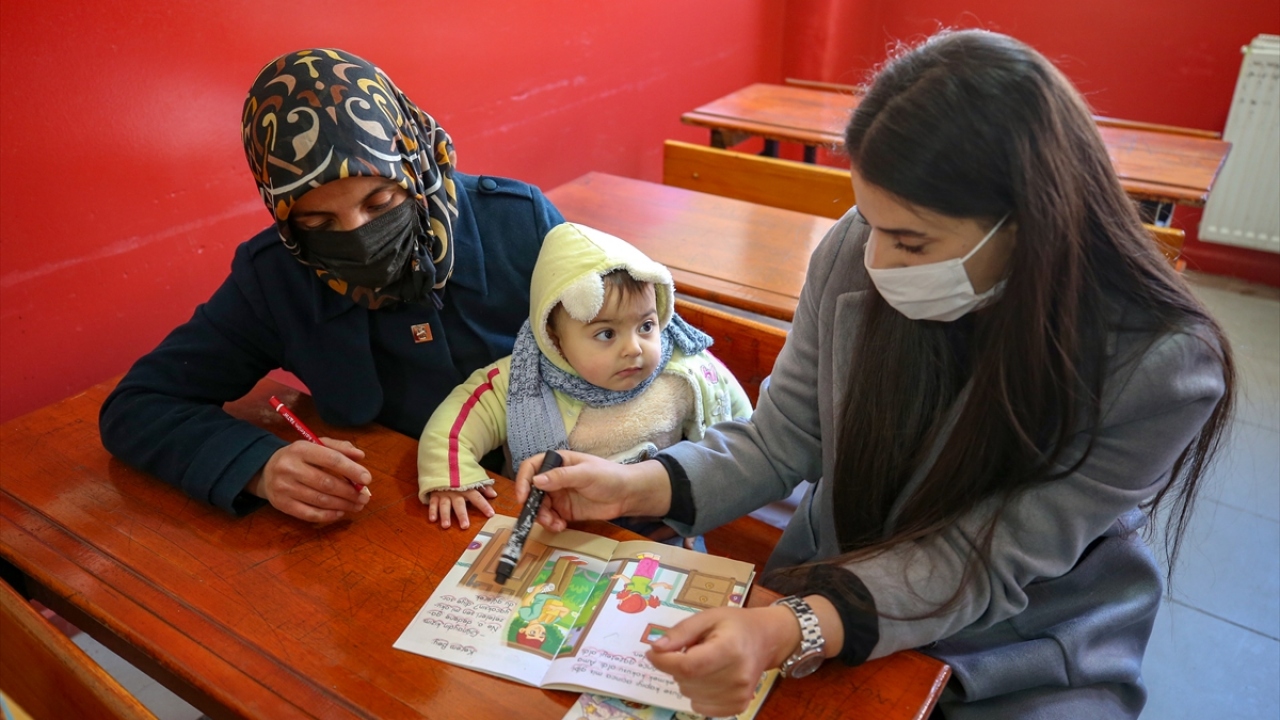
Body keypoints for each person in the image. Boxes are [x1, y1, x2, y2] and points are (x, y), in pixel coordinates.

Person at [512, 30, 1235, 719]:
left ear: (1030, 221)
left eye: (910, 243)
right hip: (839, 579)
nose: (875, 261)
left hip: (1018, 641)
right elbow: (782, 438)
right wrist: (632, 485)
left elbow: (981, 560)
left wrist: (791, 628)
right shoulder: (857, 247)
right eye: (868, 221)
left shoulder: (1161, 367)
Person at [99, 48, 563, 523]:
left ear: (412, 167)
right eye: (318, 222)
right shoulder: (278, 277)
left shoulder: (517, 225)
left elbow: (614, 346)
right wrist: (260, 466)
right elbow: (139, 406)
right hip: (397, 515)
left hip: (557, 493)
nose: (359, 238)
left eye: (380, 204)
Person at [417, 222, 752, 534]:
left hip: (666, 525)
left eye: (646, 326)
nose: (634, 348)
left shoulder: (686, 366)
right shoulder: (521, 380)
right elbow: (456, 423)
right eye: (606, 334)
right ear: (555, 337)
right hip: (559, 528)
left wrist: (697, 508)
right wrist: (452, 477)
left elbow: (742, 429)